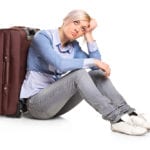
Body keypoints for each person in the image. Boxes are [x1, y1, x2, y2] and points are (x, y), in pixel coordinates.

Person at [20, 9, 150, 136]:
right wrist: (93, 61)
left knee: (96, 75)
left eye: (83, 28)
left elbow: (97, 68)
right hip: (36, 105)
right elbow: (59, 65)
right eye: (76, 22)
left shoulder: (73, 46)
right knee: (80, 74)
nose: (78, 29)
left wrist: (89, 34)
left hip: (56, 106)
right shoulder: (42, 37)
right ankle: (115, 120)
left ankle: (129, 114)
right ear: (65, 20)